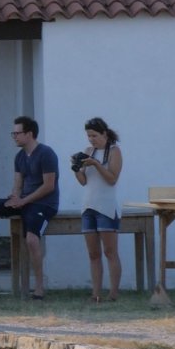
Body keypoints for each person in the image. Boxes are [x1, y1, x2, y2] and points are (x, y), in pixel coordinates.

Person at [0, 116, 59, 301]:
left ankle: (39, 288)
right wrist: (15, 196)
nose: (14, 136)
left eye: (17, 133)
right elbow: (18, 182)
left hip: (43, 204)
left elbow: (49, 186)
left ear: (29, 134)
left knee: (31, 240)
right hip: (25, 201)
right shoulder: (20, 156)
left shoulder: (46, 153)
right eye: (13, 133)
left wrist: (24, 201)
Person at [73, 116, 124, 303]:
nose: (91, 139)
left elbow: (112, 179)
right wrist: (76, 168)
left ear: (104, 133)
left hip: (106, 207)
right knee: (93, 254)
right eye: (88, 136)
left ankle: (113, 293)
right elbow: (84, 181)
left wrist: (95, 164)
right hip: (88, 206)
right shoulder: (89, 151)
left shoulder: (114, 151)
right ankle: (95, 294)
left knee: (110, 252)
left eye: (94, 135)